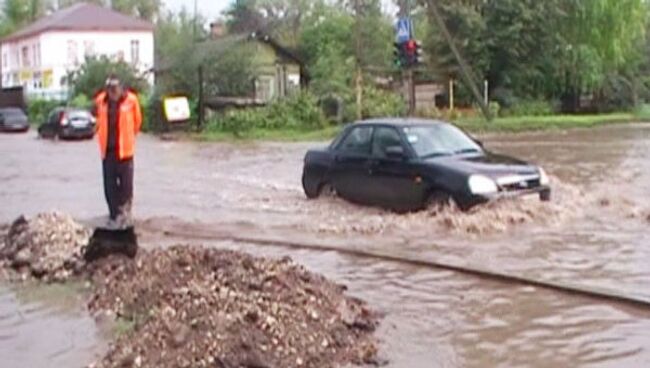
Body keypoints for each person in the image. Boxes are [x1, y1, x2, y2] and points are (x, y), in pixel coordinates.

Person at [94, 75, 142, 228]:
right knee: (109, 187)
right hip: (108, 152)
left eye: (115, 88)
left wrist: (128, 138)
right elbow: (98, 121)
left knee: (126, 187)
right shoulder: (101, 101)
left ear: (122, 88)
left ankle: (125, 216)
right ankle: (114, 216)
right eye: (110, 89)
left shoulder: (131, 100)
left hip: (125, 152)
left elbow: (137, 122)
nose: (112, 92)